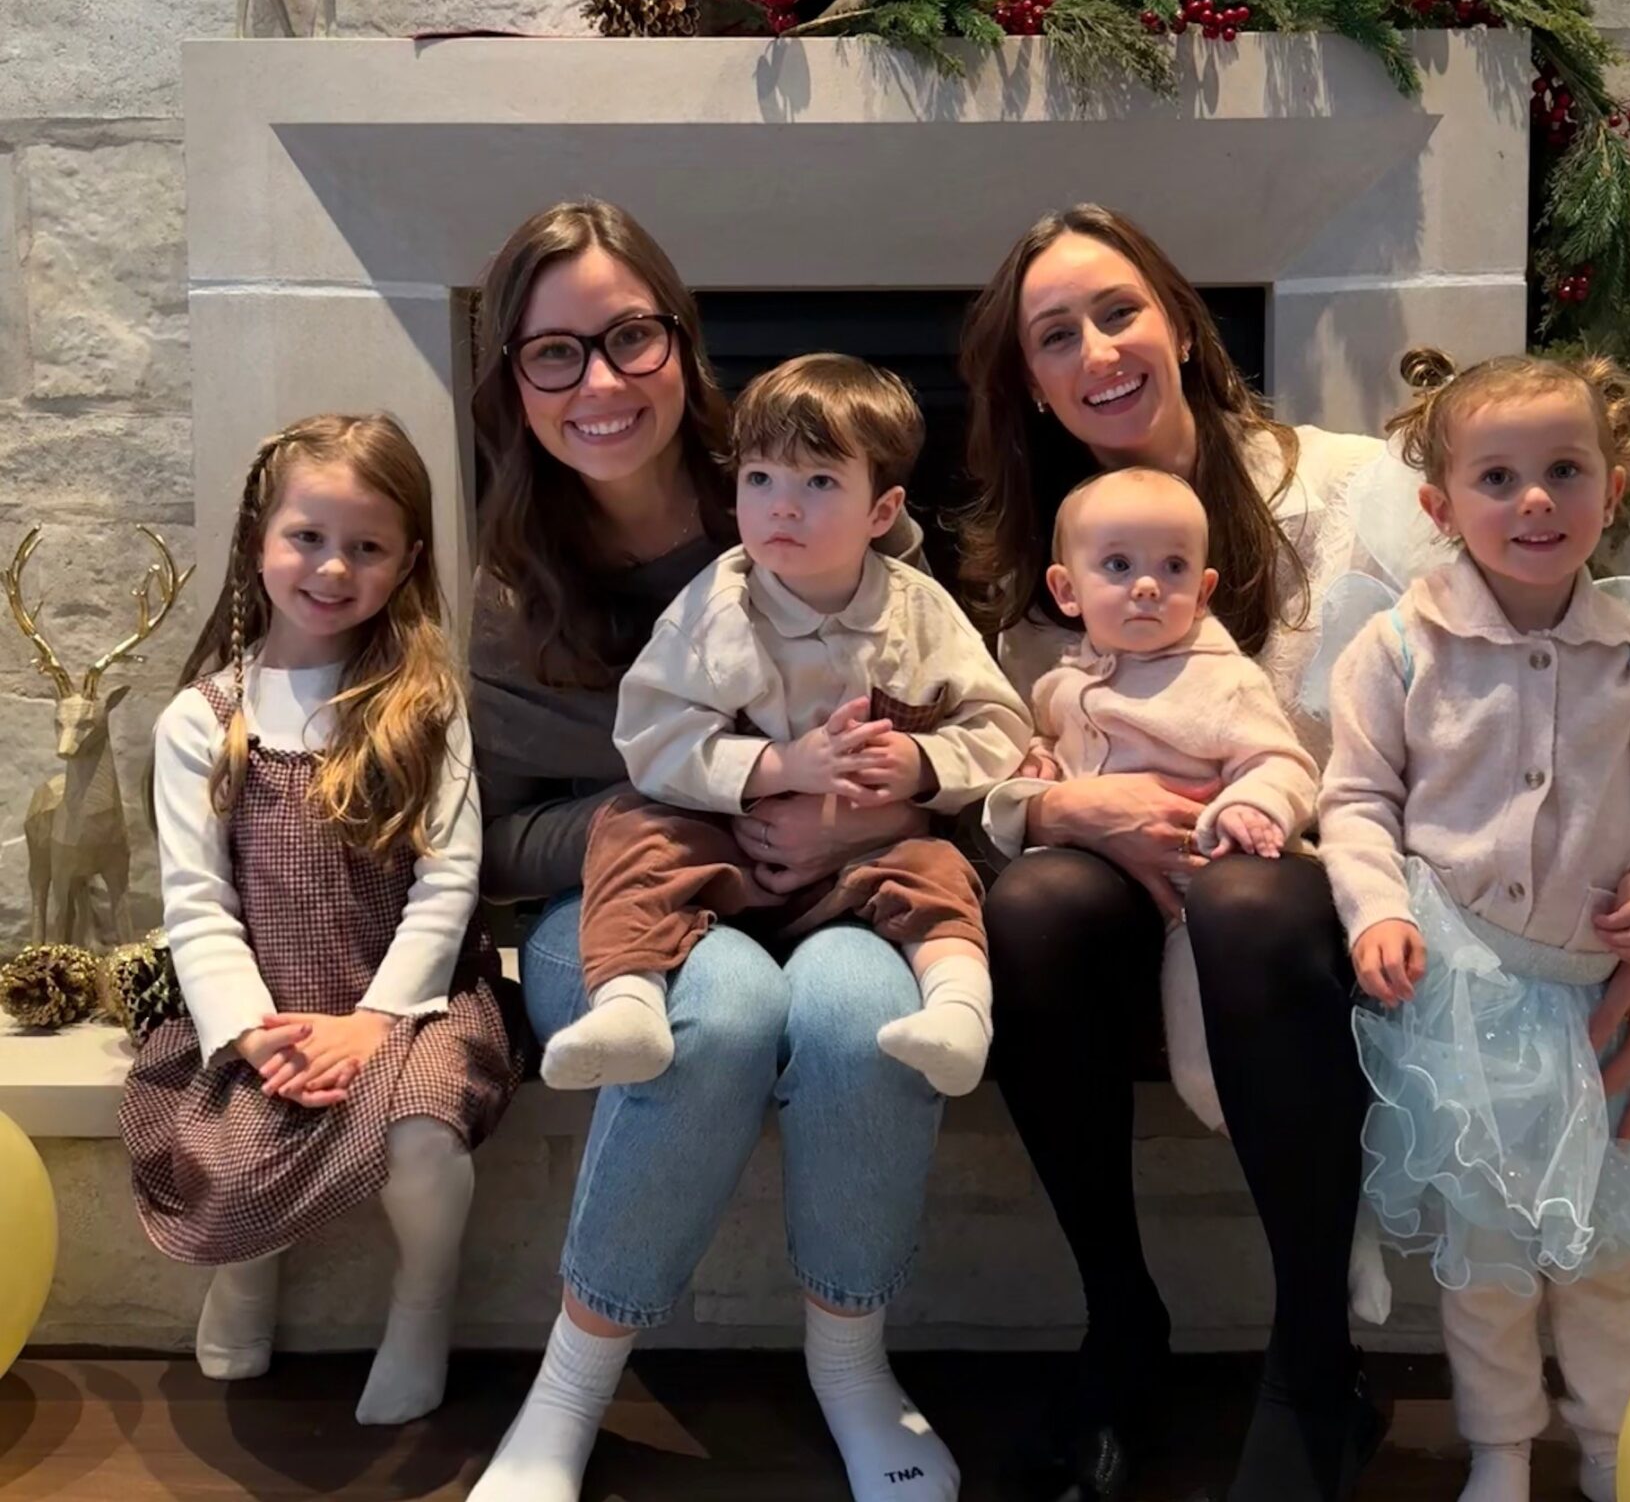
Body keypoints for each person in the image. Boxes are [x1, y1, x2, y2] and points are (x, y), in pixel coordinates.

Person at [958, 203, 1630, 1502]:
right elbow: (1001, 765)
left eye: (1119, 309)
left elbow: (1573, 686)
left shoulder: (1355, 492)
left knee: (1245, 895)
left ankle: (1314, 1363)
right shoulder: (1036, 559)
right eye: (1055, 335)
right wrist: (1072, 811)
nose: (1098, 351)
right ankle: (1122, 1325)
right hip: (1143, 904)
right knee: (1034, 905)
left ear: (1181, 324)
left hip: (1361, 899)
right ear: (1029, 378)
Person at [465, 200, 966, 1502]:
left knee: (865, 1014)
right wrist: (704, 817)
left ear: (683, 346)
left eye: (630, 336)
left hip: (843, 877)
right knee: (723, 1014)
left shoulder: (802, 483)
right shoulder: (507, 592)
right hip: (630, 911)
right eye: (553, 353)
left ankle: (852, 1363)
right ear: (512, 383)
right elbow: (497, 840)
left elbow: (932, 706)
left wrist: (870, 805)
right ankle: (569, 1392)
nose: (600, 382)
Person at [1319, 350, 1630, 1502]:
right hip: (1466, 1001)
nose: (1534, 499)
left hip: (1600, 991)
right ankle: (1499, 1448)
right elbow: (1354, 802)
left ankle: (1612, 1445)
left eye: (1563, 470)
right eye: (1497, 478)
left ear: (1613, 484)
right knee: (1489, 1257)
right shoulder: (1399, 648)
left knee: (1604, 1256)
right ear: (1442, 507)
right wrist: (1377, 913)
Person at [119, 413, 523, 1427]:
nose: (334, 567)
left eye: (368, 546)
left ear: (406, 562)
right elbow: (199, 903)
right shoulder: (202, 722)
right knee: (237, 1137)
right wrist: (257, 1032)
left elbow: (449, 881)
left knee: (424, 1136)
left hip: (412, 1006)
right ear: (261, 537)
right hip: (270, 1005)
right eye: (309, 536)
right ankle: (248, 1273)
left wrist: (377, 1021)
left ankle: (422, 1309)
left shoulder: (424, 709)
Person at [541, 353, 1028, 1098]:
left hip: (863, 862)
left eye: (820, 483)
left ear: (882, 512)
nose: (782, 507)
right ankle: (630, 1003)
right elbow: (651, 736)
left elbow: (997, 725)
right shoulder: (717, 607)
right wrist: (778, 768)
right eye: (760, 479)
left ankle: (958, 1011)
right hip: (726, 854)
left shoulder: (918, 610)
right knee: (630, 830)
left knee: (938, 873)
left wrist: (922, 765)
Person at [1016, 466, 1318, 1128]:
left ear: (1204, 591)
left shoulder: (1220, 681)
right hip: (1100, 888)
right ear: (1067, 590)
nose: (1147, 585)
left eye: (1174, 567)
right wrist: (1038, 765)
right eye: (1119, 565)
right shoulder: (1060, 684)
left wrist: (1253, 804)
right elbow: (1043, 741)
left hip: (1190, 889)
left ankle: (1224, 1105)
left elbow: (1283, 762)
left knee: (1199, 1019)